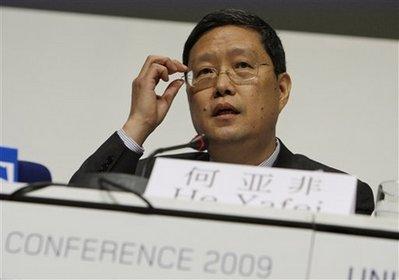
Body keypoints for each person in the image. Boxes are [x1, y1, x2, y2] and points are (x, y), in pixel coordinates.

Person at [70, 9, 374, 214]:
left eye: (242, 66)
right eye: (204, 71)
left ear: (281, 90)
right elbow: (72, 213)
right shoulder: (152, 178)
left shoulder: (337, 196)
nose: (222, 85)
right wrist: (139, 123)